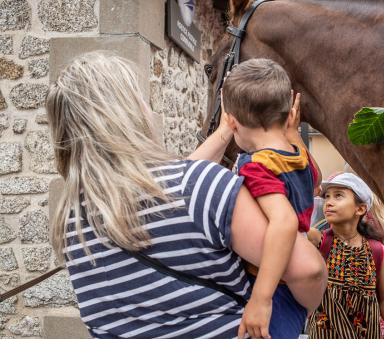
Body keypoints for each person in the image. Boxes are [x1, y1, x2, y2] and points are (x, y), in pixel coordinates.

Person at [46, 51, 327, 339]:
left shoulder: (70, 224)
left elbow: (176, 183)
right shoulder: (196, 187)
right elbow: (308, 271)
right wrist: (297, 311)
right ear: (129, 113)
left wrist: (225, 130)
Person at [219, 58, 322, 339]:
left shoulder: (256, 165)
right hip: (292, 286)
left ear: (231, 123)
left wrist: (261, 299)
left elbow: (285, 221)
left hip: (270, 283)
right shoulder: (298, 155)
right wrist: (293, 135)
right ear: (289, 114)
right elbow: (316, 179)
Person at [307, 173, 384, 339]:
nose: (329, 202)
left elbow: (383, 298)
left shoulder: (377, 251)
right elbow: (294, 225)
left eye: (338, 196)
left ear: (360, 209)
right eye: (327, 197)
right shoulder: (318, 241)